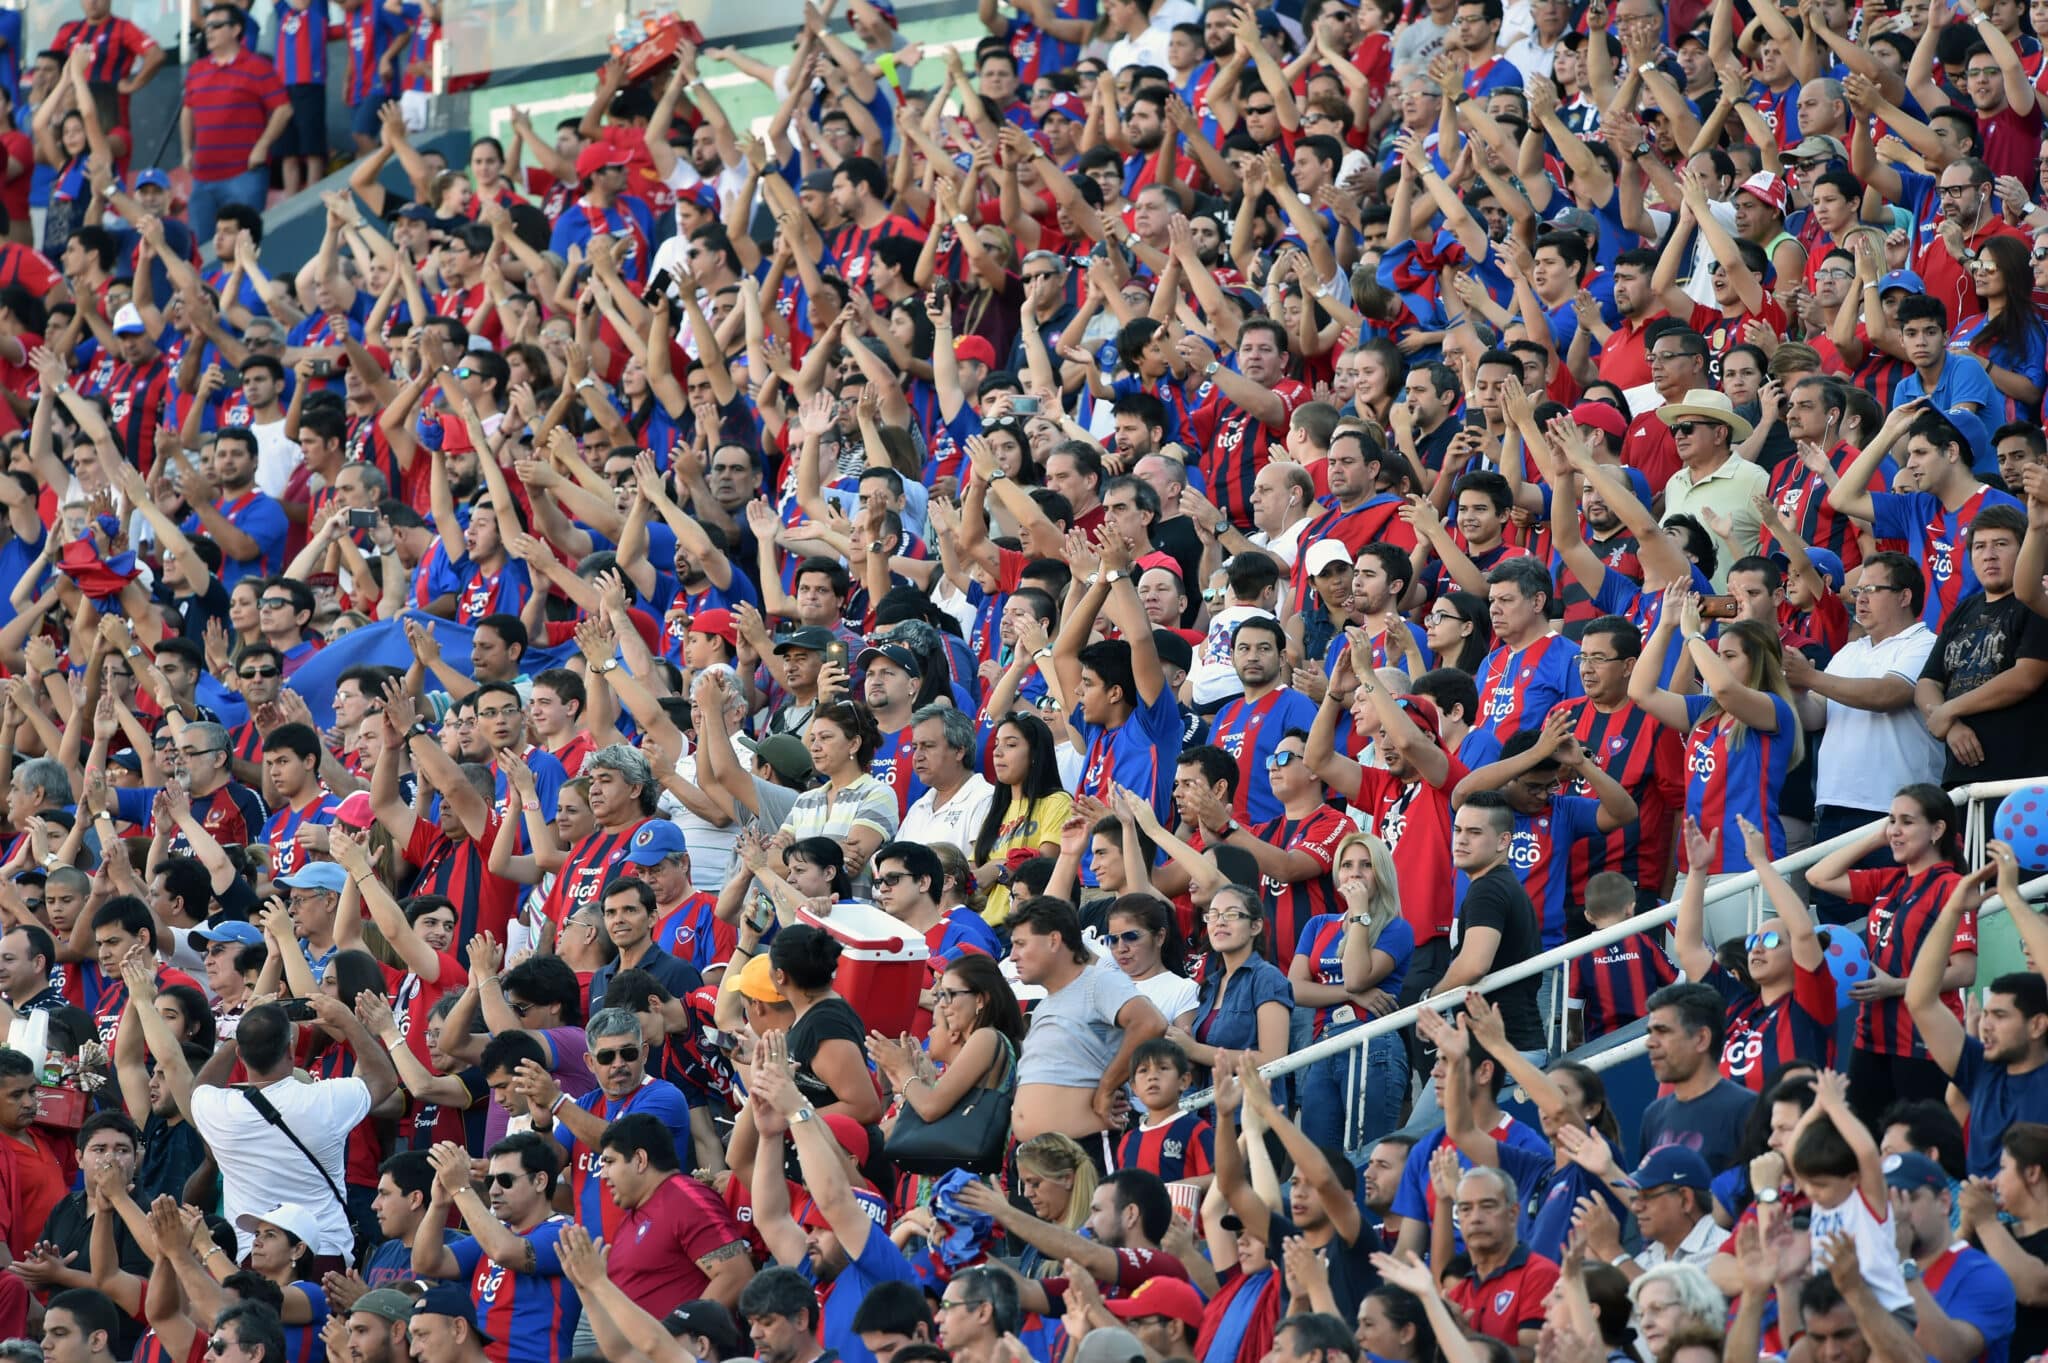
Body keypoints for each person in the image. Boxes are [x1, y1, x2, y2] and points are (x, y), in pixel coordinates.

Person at [181, 995, 397, 1265]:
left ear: (240, 1055)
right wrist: (348, 1021)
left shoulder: (217, 1108)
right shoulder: (323, 1100)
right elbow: (385, 1080)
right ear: (290, 1051)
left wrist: (241, 1033)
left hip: (252, 1256)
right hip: (322, 1253)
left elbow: (200, 1087)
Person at [749, 1029, 920, 1363]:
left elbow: (835, 1201)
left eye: (820, 1230)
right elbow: (770, 1219)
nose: (808, 1237)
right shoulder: (814, 1273)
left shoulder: (881, 1275)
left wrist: (797, 1108)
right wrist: (769, 1134)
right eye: (810, 1229)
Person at [1906, 843, 2048, 1179]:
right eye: (1987, 1014)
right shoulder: (1981, 1069)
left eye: (2001, 1016)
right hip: (1980, 1223)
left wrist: (2010, 896)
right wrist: (1953, 909)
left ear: (2038, 1025)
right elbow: (1920, 1000)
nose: (1986, 1025)